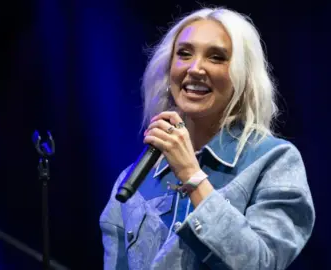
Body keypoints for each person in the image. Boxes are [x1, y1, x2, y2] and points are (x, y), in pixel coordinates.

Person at [100, 6, 315, 270]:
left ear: (243, 77)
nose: (195, 68)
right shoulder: (133, 180)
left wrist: (192, 175)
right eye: (184, 54)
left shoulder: (274, 161)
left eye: (216, 57)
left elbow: (261, 264)